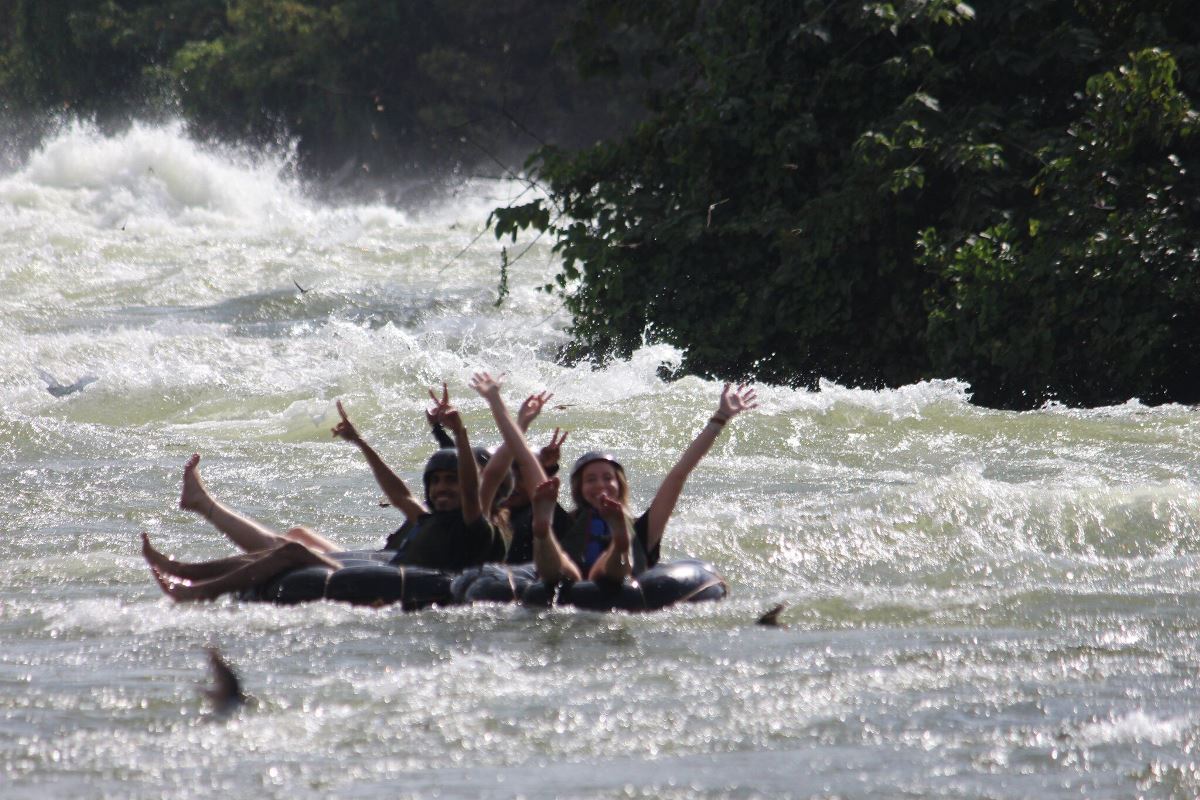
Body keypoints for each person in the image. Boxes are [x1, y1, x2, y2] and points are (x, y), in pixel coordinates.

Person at [144, 393, 500, 601]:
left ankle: (192, 587)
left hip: (406, 586)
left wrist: (461, 434)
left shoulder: (474, 527)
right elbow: (398, 492)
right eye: (435, 482)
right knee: (286, 551)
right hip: (379, 572)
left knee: (293, 551)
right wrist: (360, 442)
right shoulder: (427, 520)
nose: (441, 489)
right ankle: (183, 573)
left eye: (449, 482)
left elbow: (472, 488)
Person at [471, 372, 758, 584]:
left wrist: (720, 417)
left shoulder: (645, 528)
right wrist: (497, 402)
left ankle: (621, 545)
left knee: (607, 567)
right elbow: (522, 455)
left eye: (608, 478)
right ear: (579, 490)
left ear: (620, 485)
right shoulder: (566, 522)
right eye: (591, 480)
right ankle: (544, 532)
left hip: (619, 584)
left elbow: (678, 474)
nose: (600, 485)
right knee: (559, 565)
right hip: (567, 583)